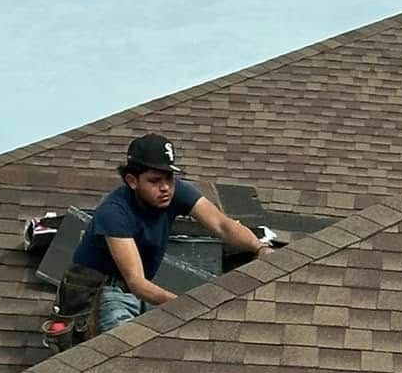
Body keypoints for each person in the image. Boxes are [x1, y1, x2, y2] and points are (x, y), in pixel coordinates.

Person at [59, 133, 274, 335]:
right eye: (154, 181)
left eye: (169, 178)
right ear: (132, 181)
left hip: (136, 291)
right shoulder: (114, 212)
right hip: (100, 292)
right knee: (123, 353)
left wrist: (259, 247)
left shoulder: (174, 192)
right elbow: (136, 281)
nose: (165, 188)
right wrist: (187, 307)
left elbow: (221, 224)